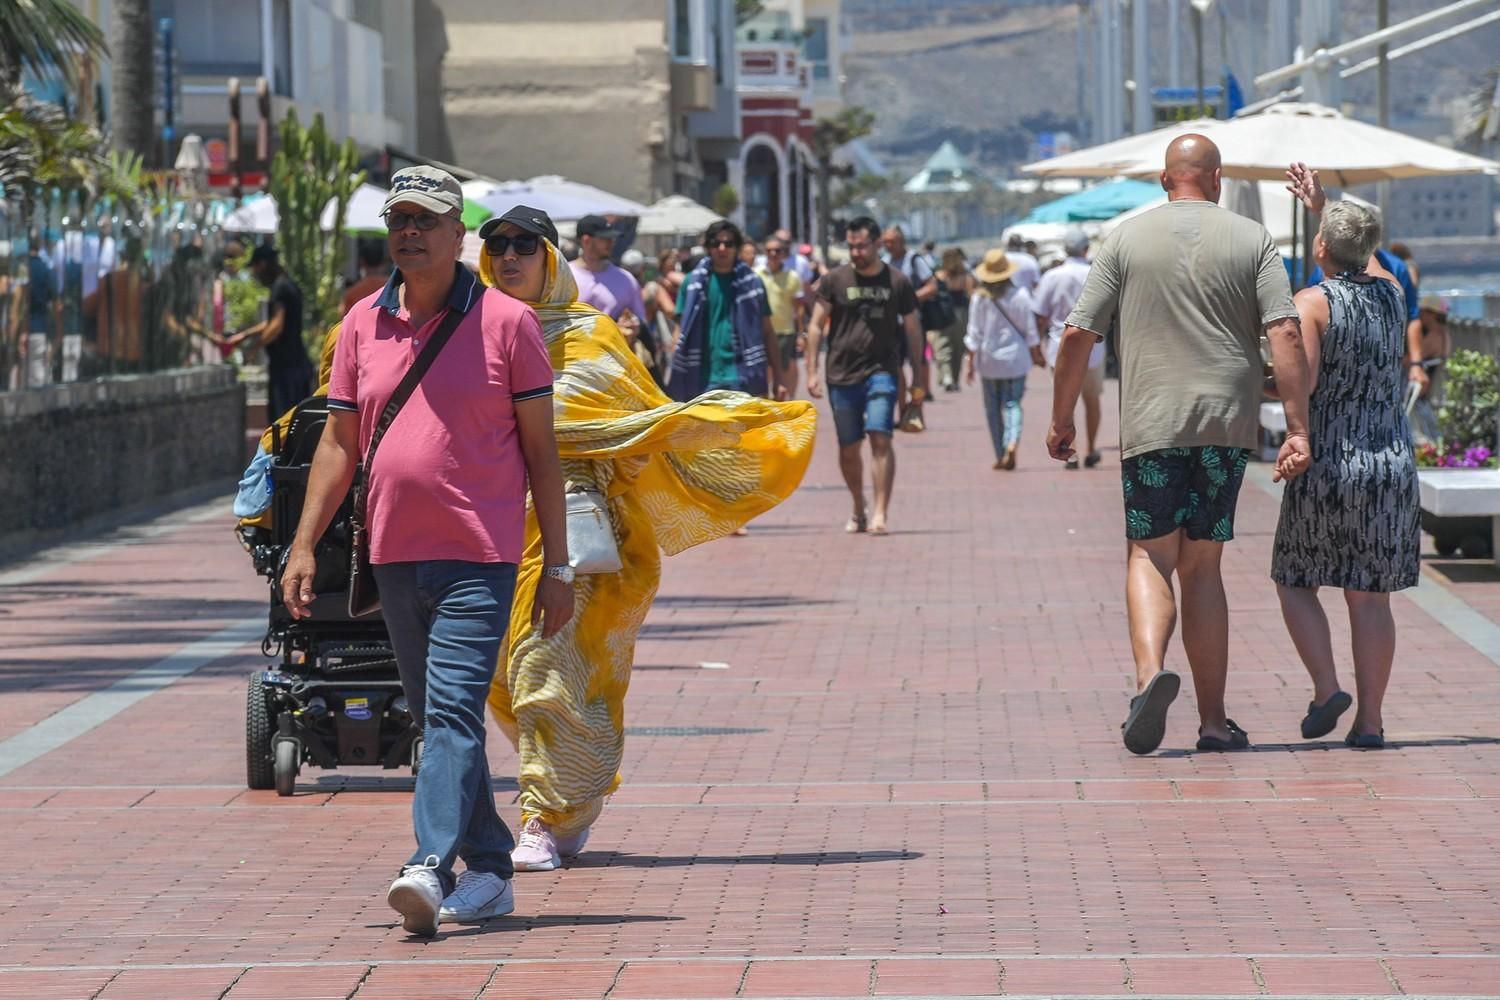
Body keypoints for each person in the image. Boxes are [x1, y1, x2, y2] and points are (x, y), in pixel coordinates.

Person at [280, 166, 574, 936]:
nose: (409, 231)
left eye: (425, 219)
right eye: (398, 219)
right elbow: (340, 443)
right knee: (445, 719)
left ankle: (427, 864)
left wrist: (562, 567)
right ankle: (492, 871)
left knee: (447, 712)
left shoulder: (509, 324)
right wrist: (303, 545)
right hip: (392, 554)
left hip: (480, 555)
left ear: (457, 235)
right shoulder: (360, 325)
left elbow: (544, 455)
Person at [476, 205, 815, 870]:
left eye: (525, 244)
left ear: (552, 258)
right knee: (497, 677)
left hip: (572, 532)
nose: (509, 255)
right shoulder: (469, 335)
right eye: (497, 245)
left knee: (544, 668)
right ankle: (573, 795)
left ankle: (541, 817)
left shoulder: (592, 337)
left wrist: (593, 448)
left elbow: (635, 428)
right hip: (490, 530)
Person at [1047, 134, 1312, 756]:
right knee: (1203, 566)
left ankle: (1149, 680)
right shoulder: (1252, 239)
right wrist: (1297, 429)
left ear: (1166, 181)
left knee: (1149, 556)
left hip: (1151, 425)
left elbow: (1079, 333)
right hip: (1224, 427)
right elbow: (1286, 332)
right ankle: (1215, 724)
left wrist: (1062, 420)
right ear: (1216, 179)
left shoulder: (1124, 240)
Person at [1272, 172, 1419, 751]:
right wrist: (1328, 210)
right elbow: (1367, 257)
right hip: (1389, 463)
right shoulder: (1392, 294)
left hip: (1332, 461)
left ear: (1320, 249)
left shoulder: (1311, 303)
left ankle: (1328, 686)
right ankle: (1372, 722)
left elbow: (1302, 382)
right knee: (1370, 598)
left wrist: (1294, 433)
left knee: (1294, 578)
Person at [808, 216, 925, 536]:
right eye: (852, 246)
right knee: (848, 446)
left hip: (883, 372)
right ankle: (858, 504)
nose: (856, 252)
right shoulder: (835, 280)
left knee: (880, 437)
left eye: (862, 246)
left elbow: (914, 330)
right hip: (841, 374)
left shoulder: (897, 282)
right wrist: (811, 371)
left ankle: (880, 512)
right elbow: (817, 324)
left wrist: (918, 375)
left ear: (876, 244)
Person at [669, 219, 786, 401]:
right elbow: (679, 330)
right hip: (701, 379)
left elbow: (768, 332)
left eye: (729, 243)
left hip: (743, 378)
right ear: (708, 247)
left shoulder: (753, 284)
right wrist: (677, 372)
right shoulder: (692, 283)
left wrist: (779, 378)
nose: (722, 248)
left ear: (737, 248)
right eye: (716, 243)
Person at [964, 249, 1043, 470]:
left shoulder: (979, 298)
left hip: (989, 361)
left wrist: (970, 364)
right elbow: (1031, 331)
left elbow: (974, 334)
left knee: (992, 408)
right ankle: (1011, 442)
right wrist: (1037, 354)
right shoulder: (1021, 295)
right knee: (1013, 403)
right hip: (1015, 360)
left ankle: (999, 454)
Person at [1034, 227, 1104, 470]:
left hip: (1059, 348)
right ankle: (1092, 448)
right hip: (1094, 348)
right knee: (1092, 400)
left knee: (1066, 402)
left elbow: (1041, 315)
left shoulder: (1052, 276)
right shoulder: (1096, 272)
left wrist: (1036, 347)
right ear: (1086, 249)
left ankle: (1069, 452)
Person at [228, 245, 315, 420]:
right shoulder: (289, 285)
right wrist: (245, 336)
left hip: (287, 369)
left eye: (255, 268)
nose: (255, 273)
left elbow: (276, 326)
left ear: (263, 265)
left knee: (283, 426)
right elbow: (271, 322)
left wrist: (253, 348)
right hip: (296, 366)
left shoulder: (280, 288)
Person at [881, 226, 939, 415]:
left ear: (902, 241)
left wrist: (909, 299)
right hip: (891, 324)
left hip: (912, 322)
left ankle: (917, 410)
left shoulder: (914, 260)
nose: (889, 246)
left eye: (892, 242)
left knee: (918, 364)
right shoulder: (884, 261)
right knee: (895, 368)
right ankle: (902, 410)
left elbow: (932, 287)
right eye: (886, 242)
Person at [570, 215, 645, 345]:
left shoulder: (626, 279)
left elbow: (640, 320)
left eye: (612, 238)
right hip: (572, 358)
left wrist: (632, 324)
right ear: (586, 240)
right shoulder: (563, 276)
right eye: (605, 238)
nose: (612, 242)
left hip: (615, 357)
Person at [756, 234, 806, 399]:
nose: (773, 254)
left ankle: (784, 404)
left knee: (785, 369)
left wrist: (801, 334)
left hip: (785, 331)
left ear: (783, 253)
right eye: (769, 250)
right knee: (765, 370)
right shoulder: (756, 274)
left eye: (777, 250)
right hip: (761, 331)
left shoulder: (792, 277)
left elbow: (799, 308)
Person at [1410, 294, 1451, 444]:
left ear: (1430, 313)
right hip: (1431, 387)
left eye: (1423, 311)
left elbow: (1411, 360)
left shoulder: (1434, 334)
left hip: (1424, 388)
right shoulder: (1443, 333)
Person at [934, 247, 973, 392]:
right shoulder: (965, 276)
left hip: (943, 313)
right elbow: (970, 295)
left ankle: (947, 376)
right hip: (961, 313)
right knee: (958, 348)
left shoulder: (939, 275)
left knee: (943, 346)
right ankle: (955, 379)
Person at [343, 240, 391, 315]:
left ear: (362, 262)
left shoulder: (352, 293)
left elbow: (345, 323)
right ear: (384, 261)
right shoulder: (396, 290)